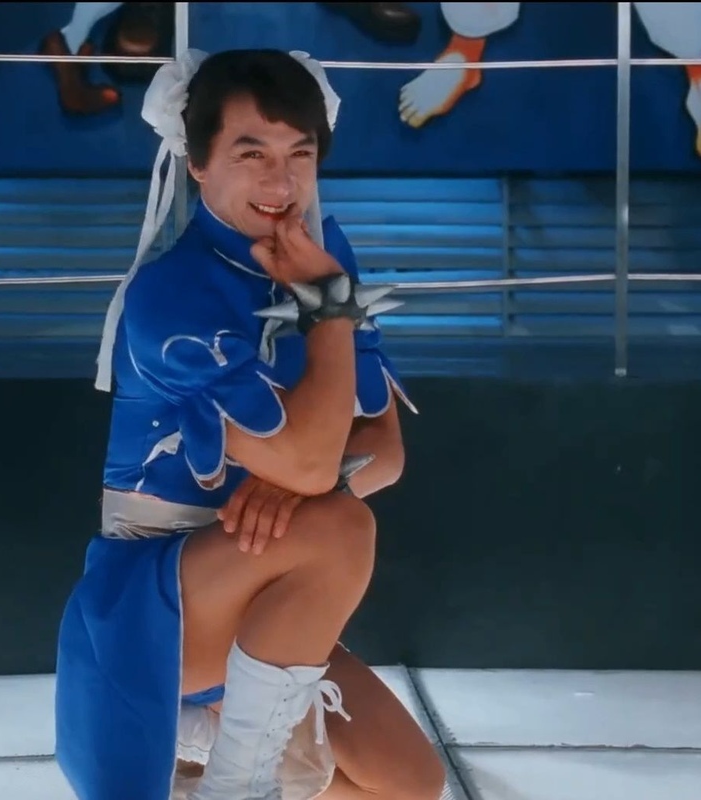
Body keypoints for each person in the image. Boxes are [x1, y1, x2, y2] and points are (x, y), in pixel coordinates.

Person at [54, 48, 446, 800]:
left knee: (411, 785)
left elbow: (385, 451)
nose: (281, 181)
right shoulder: (169, 295)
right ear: (198, 162)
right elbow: (314, 466)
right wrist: (327, 308)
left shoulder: (324, 259)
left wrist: (298, 487)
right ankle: (237, 785)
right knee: (342, 527)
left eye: (300, 152)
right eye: (251, 152)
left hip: (269, 577)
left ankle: (218, 748)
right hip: (163, 603)